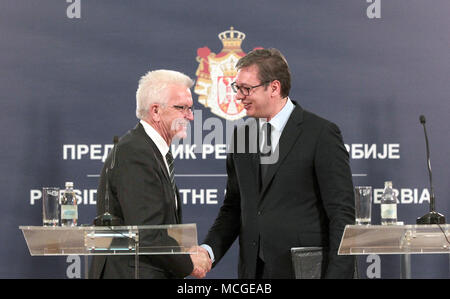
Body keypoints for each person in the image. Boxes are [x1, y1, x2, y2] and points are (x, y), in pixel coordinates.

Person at [201, 48, 355, 278]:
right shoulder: (242, 136)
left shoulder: (320, 133)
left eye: (246, 88)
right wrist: (208, 251)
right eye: (237, 88)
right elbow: (234, 207)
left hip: (305, 271)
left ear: (274, 87)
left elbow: (341, 214)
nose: (239, 96)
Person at [89, 69, 211, 279]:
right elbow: (147, 232)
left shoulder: (149, 150)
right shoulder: (136, 152)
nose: (190, 116)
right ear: (155, 111)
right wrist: (189, 263)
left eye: (191, 109)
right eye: (182, 108)